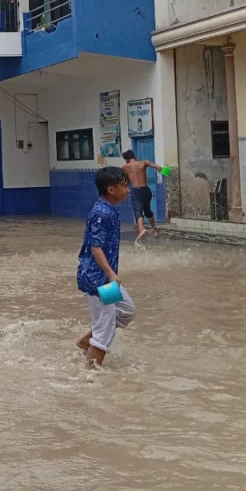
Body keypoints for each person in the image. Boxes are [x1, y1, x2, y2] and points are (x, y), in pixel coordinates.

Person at [76, 166, 136, 367]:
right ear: (111, 190)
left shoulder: (109, 210)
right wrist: (110, 273)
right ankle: (90, 376)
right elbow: (96, 248)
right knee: (105, 329)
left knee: (127, 311)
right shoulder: (102, 213)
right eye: (124, 186)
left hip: (102, 279)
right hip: (98, 280)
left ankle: (87, 341)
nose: (128, 190)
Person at [122, 150, 162, 243]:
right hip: (146, 191)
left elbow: (124, 181)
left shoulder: (125, 167)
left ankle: (141, 229)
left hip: (136, 191)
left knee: (138, 210)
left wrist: (126, 188)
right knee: (148, 211)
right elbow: (156, 166)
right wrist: (159, 168)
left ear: (127, 159)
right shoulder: (143, 163)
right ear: (134, 156)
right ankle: (155, 230)